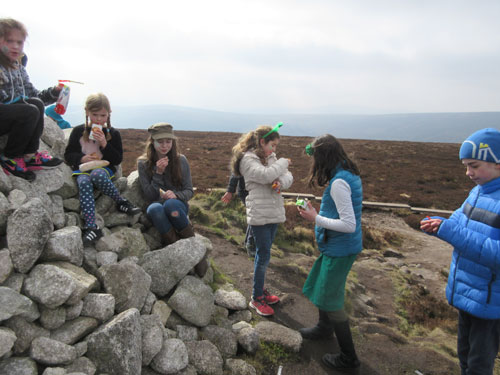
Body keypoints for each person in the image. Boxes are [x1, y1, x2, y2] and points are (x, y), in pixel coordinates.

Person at [420, 128, 500, 375]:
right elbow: (457, 222)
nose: (468, 173)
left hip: (489, 302)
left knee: (478, 364)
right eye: (466, 166)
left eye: (474, 165)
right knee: (465, 356)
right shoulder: (479, 191)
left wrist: (449, 231)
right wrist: (438, 224)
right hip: (468, 293)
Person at [297, 134, 362, 370]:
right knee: (323, 285)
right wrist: (317, 214)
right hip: (337, 246)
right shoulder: (346, 173)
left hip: (341, 248)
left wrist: (315, 218)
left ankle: (349, 358)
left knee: (333, 301)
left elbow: (349, 224)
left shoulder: (339, 183)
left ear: (323, 157)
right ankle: (324, 328)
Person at [230, 123, 293, 316]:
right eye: (272, 145)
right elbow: (265, 175)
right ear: (262, 141)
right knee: (263, 254)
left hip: (273, 211)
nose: (274, 150)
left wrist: (280, 182)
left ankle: (261, 290)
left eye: (276, 147)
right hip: (259, 213)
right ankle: (256, 299)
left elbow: (288, 177)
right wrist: (283, 162)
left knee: (264, 254)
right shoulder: (247, 160)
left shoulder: (270, 157)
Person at [64, 93, 140, 246]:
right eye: (94, 115)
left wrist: (105, 143)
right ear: (87, 112)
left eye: (103, 115)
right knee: (84, 181)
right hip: (84, 170)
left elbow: (117, 159)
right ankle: (92, 226)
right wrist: (81, 158)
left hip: (104, 168)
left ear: (109, 114)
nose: (98, 119)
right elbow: (69, 153)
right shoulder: (79, 131)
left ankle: (121, 201)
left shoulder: (113, 133)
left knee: (97, 175)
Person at [137, 123, 208, 277]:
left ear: (173, 142)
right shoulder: (143, 163)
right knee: (155, 209)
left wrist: (176, 195)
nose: (164, 146)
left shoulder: (180, 160)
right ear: (152, 142)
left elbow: (189, 190)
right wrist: (158, 173)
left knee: (170, 205)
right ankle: (182, 253)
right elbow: (149, 195)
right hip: (157, 204)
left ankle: (198, 254)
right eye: (160, 142)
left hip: (177, 205)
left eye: (168, 142)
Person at [0, 18, 63, 181]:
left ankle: (29, 155)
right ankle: (10, 158)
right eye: (9, 41)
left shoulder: (18, 66)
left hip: (7, 114)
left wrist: (54, 93)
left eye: (19, 42)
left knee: (36, 104)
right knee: (29, 111)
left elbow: (34, 95)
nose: (15, 46)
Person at [220, 174, 256, 257]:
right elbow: (235, 170)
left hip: (258, 190)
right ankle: (250, 244)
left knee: (255, 215)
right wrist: (230, 190)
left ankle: (248, 243)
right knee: (255, 215)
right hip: (246, 191)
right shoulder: (242, 160)